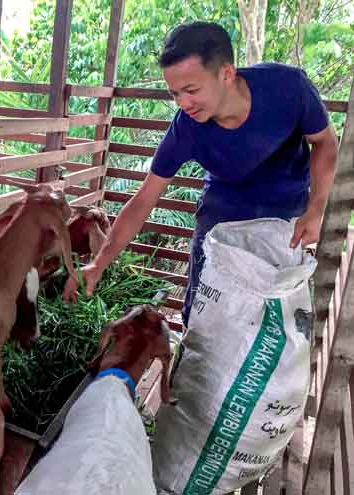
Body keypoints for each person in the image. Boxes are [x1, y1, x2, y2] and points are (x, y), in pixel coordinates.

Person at [64, 21, 339, 325]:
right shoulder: (187, 128)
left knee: (270, 318)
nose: (183, 103)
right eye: (174, 94)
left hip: (284, 213)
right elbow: (144, 200)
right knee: (201, 313)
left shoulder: (287, 88)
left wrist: (316, 208)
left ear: (227, 73)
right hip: (221, 210)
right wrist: (99, 263)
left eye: (191, 90)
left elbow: (325, 142)